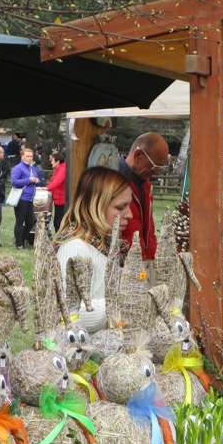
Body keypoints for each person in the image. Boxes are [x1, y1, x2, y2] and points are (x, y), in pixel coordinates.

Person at [54, 166, 134, 332]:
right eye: (120, 207)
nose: (129, 215)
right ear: (94, 206)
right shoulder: (75, 248)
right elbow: (66, 313)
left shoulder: (112, 248)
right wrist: (129, 305)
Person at [118, 132, 169, 261]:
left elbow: (149, 231)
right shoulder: (111, 183)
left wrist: (151, 261)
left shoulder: (146, 185)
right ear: (138, 155)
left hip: (142, 265)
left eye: (160, 168)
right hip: (122, 265)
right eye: (155, 166)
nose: (157, 173)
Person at [10, 148, 44, 249]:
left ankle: (22, 239)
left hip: (30, 198)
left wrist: (37, 181)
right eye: (27, 156)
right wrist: (29, 180)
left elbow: (39, 182)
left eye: (31, 156)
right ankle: (19, 244)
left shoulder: (33, 169)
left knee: (30, 221)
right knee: (20, 220)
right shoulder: (18, 168)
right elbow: (14, 182)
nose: (29, 158)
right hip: (21, 197)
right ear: (22, 157)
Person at [47, 152, 67, 232]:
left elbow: (57, 181)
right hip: (59, 200)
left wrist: (47, 188)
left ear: (57, 162)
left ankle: (59, 239)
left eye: (52, 160)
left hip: (62, 201)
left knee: (58, 223)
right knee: (57, 222)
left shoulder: (62, 170)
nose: (51, 162)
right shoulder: (58, 169)